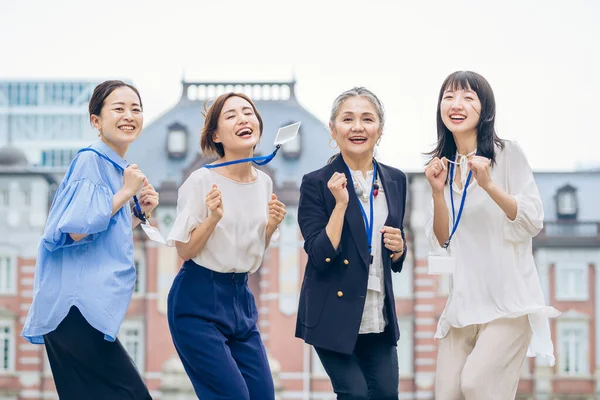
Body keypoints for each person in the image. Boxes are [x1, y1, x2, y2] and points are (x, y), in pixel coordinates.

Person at [424, 71, 560, 400]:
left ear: (484, 110)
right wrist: (437, 193)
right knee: (446, 393)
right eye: (449, 97)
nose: (456, 104)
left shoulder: (508, 154)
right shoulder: (444, 166)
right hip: (463, 304)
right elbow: (441, 240)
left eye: (468, 98)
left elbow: (532, 220)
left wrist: (489, 185)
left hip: (507, 304)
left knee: (477, 385)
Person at [22, 80, 158, 399]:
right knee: (132, 394)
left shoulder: (113, 166)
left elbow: (99, 234)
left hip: (74, 307)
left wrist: (136, 213)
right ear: (96, 121)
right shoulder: (91, 161)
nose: (129, 115)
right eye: (119, 108)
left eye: (135, 109)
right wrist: (126, 193)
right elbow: (77, 228)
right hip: (74, 306)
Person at [166, 92, 285, 400]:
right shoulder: (201, 181)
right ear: (216, 135)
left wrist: (270, 228)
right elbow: (185, 250)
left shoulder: (265, 183)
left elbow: (254, 253)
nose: (243, 118)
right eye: (231, 115)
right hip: (197, 301)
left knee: (263, 395)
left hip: (240, 300)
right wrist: (213, 219)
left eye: (248, 113)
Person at [296, 87, 408, 400]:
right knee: (355, 394)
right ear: (333, 130)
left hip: (377, 311)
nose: (357, 127)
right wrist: (341, 205)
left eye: (367, 119)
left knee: (386, 394)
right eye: (348, 119)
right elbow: (319, 254)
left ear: (380, 130)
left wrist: (400, 249)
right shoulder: (317, 182)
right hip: (332, 312)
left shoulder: (396, 180)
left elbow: (392, 250)